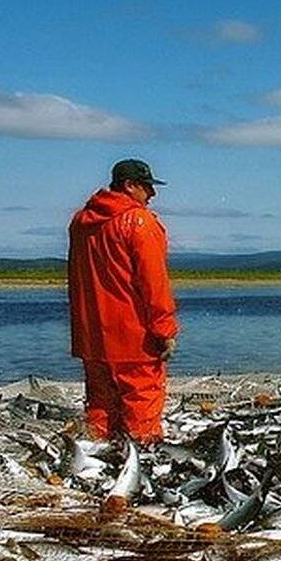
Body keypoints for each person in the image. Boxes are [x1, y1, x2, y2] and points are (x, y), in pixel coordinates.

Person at [67, 159, 179, 445]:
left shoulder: (80, 222)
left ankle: (98, 449)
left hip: (91, 335)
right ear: (129, 186)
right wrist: (165, 330)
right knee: (142, 399)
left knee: (100, 403)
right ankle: (140, 453)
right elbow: (154, 283)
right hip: (133, 335)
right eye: (146, 187)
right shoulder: (139, 221)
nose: (152, 194)